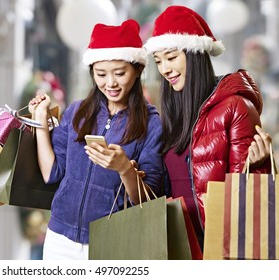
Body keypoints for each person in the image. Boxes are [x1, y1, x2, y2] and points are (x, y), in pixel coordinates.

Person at [28, 19, 163, 260]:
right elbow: (52, 173)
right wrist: (40, 121)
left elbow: (148, 200)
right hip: (59, 238)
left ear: (138, 70)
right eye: (101, 74)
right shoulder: (77, 112)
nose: (110, 83)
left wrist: (124, 168)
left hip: (111, 242)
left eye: (120, 73)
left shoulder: (151, 124)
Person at [143, 5, 272, 249]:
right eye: (159, 61)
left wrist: (257, 165)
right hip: (176, 243)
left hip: (217, 245)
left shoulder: (236, 107)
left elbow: (248, 197)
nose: (165, 69)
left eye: (171, 57)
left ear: (194, 54)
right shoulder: (173, 112)